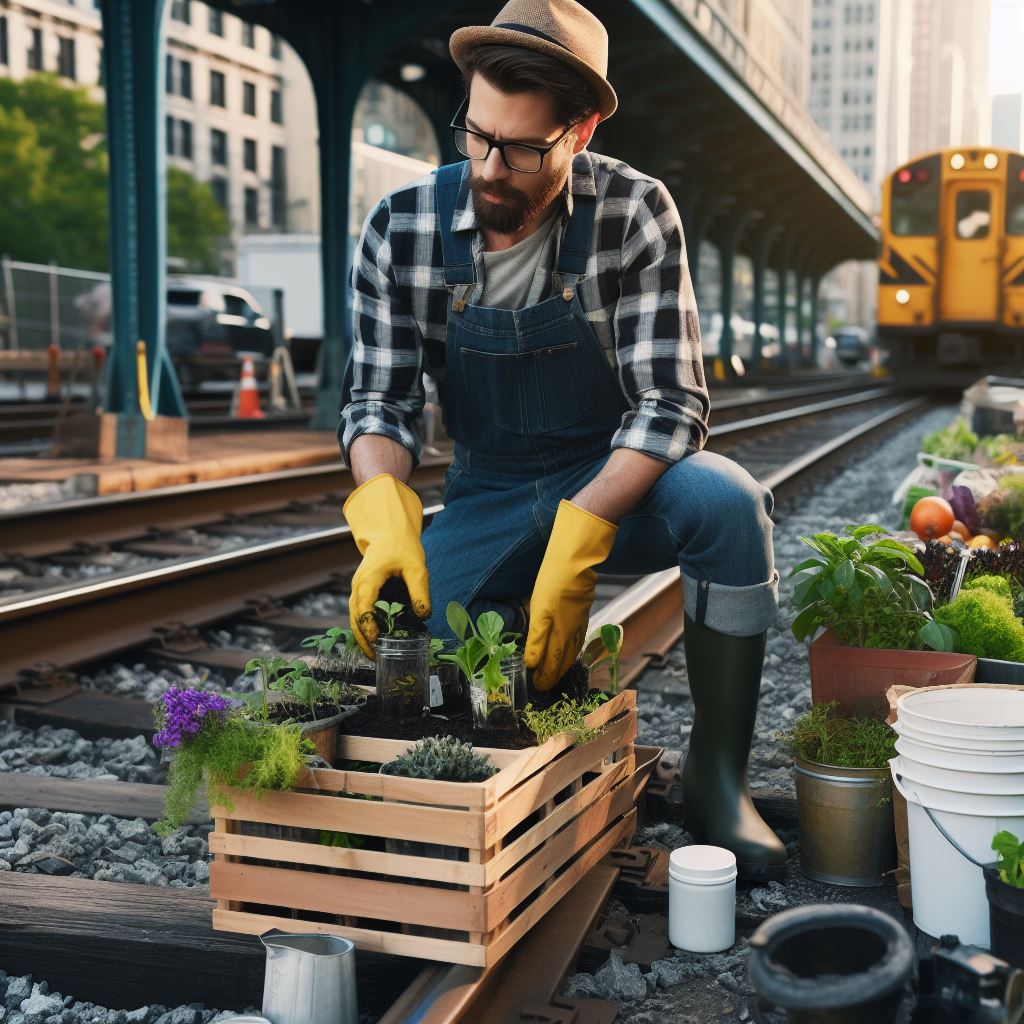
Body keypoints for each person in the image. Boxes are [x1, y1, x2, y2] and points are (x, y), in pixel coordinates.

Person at [339, 0, 784, 880]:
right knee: (428, 651)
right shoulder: (402, 228)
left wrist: (580, 537)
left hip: (621, 480)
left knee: (730, 504)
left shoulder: (635, 214)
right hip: (492, 487)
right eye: (478, 135)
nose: (490, 167)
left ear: (578, 132)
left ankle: (718, 780)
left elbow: (672, 405)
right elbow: (377, 404)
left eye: (524, 148)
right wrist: (386, 512)